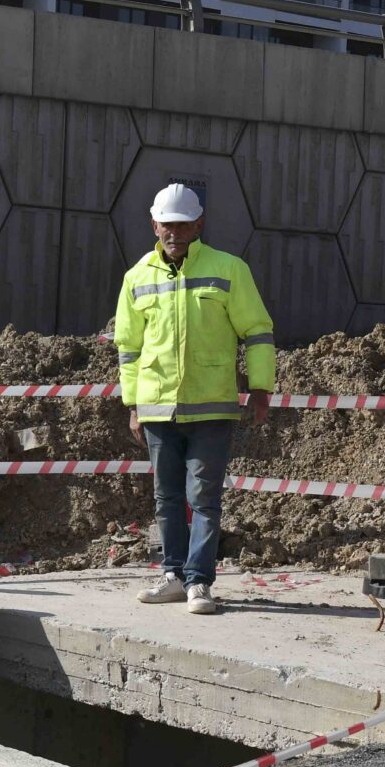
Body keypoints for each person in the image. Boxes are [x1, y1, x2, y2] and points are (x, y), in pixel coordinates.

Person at [113, 182, 274, 616]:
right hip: (157, 405)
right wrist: (133, 404)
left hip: (211, 406)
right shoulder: (137, 277)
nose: (175, 232)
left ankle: (199, 582)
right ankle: (173, 575)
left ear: (198, 225)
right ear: (155, 225)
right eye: (168, 224)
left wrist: (260, 389)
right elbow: (128, 347)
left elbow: (257, 332)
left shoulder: (229, 269)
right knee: (167, 497)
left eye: (183, 225)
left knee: (203, 497)